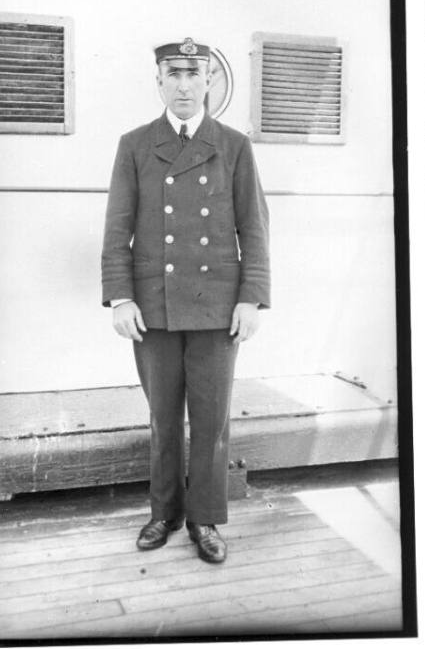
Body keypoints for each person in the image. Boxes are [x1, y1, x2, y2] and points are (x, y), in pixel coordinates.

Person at [102, 38, 270, 564]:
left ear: (208, 83)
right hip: (154, 307)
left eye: (193, 74)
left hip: (218, 308)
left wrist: (252, 299)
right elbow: (117, 229)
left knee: (212, 416)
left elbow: (254, 229)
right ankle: (164, 512)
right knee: (163, 417)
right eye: (172, 74)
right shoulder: (134, 144)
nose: (183, 85)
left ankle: (205, 519)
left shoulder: (234, 146)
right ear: (158, 81)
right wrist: (120, 298)